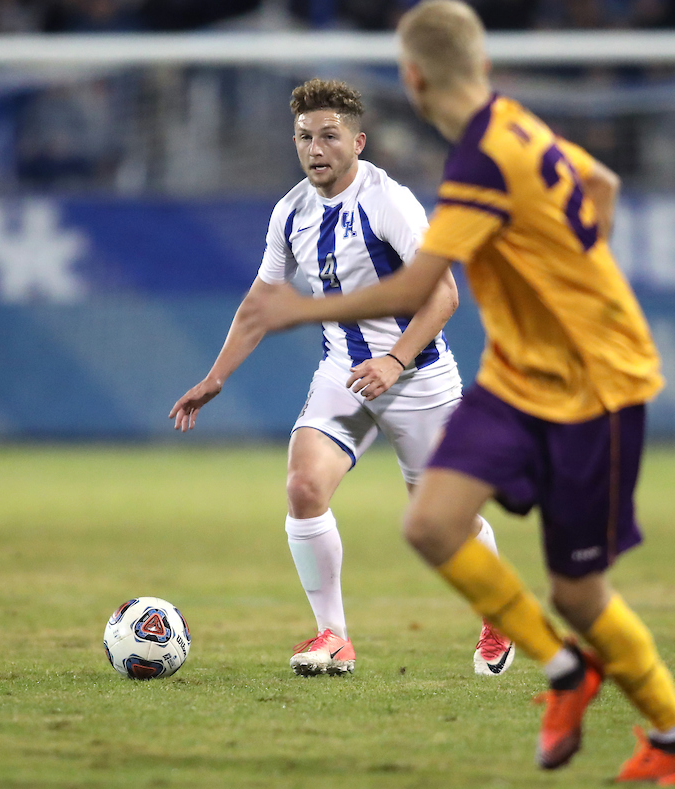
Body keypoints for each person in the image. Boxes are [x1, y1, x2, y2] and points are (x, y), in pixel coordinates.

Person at [239, 1, 675, 785]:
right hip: (522, 375)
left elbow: (426, 285)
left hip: (597, 383)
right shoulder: (516, 126)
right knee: (431, 524)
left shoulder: (480, 163)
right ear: (482, 69)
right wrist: (577, 266)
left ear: (413, 79)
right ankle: (566, 671)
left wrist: (304, 309)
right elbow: (602, 181)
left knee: (578, 589)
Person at [168, 77, 515, 679]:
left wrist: (395, 361)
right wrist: (215, 376)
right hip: (343, 375)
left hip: (419, 378)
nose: (315, 148)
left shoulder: (391, 203)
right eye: (304, 137)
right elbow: (258, 302)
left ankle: (497, 617)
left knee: (441, 523)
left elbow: (445, 295)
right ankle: (334, 637)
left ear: (358, 140)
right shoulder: (291, 212)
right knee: (304, 487)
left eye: (328, 135)